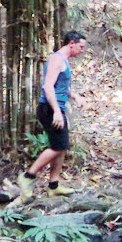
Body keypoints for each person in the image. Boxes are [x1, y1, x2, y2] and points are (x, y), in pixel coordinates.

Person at [19, 31, 87, 201]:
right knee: (58, 147)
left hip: (56, 107)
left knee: (61, 146)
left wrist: (75, 96)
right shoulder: (57, 59)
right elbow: (48, 87)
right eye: (81, 46)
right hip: (49, 109)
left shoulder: (64, 61)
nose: (82, 50)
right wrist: (56, 111)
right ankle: (27, 177)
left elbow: (60, 85)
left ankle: (53, 186)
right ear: (71, 43)